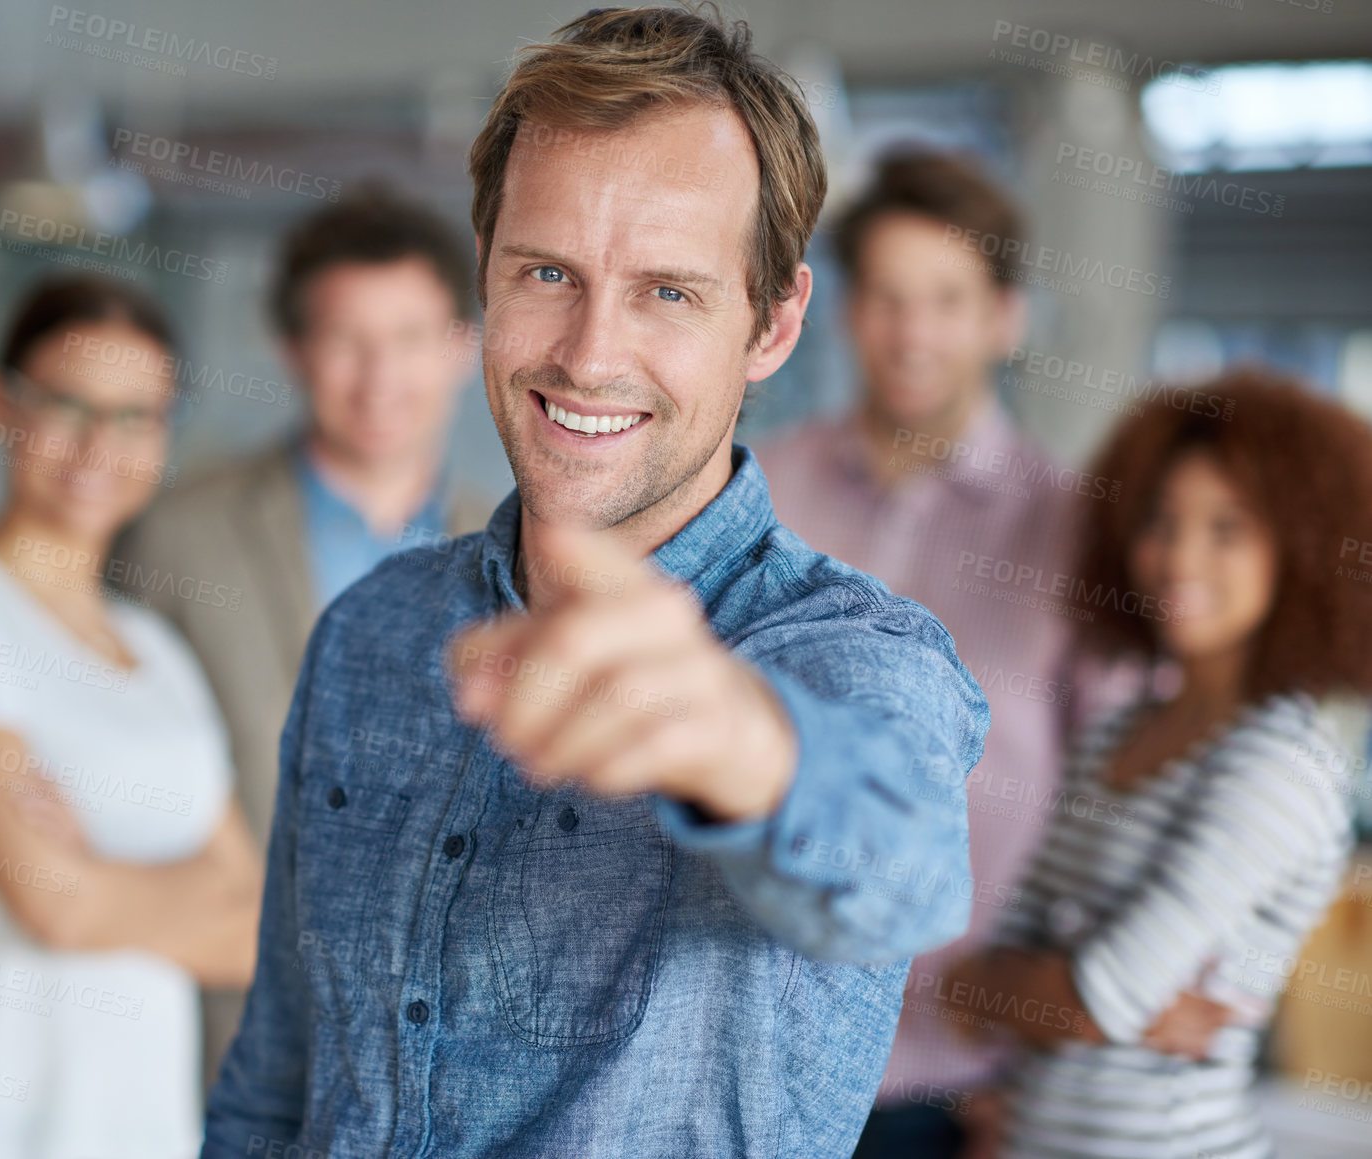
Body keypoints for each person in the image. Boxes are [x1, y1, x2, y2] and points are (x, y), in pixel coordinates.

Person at [202, 9, 986, 1157]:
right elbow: (276, 1078)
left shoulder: (856, 653)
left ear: (771, 324)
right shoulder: (371, 631)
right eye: (547, 271)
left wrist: (740, 745)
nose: (586, 352)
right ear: (485, 277)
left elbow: (904, 869)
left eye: (668, 291)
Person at [0, 275, 262, 1159]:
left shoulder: (158, 654)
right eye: (69, 405)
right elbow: (55, 906)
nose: (100, 444)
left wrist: (95, 877)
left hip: (137, 1129)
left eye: (137, 415)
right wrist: (145, 888)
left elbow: (263, 929)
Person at [943, 367, 1372, 1159]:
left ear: (1301, 551)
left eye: (1226, 528)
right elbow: (975, 989)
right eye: (1160, 520)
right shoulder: (1119, 731)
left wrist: (1069, 998)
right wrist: (1061, 997)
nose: (1177, 557)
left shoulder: (1278, 765)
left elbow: (1087, 1001)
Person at [753, 150, 1072, 1156]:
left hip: (956, 1082)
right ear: (847, 312)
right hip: (751, 1048)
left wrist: (1044, 1066)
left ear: (1004, 316)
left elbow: (1116, 800)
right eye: (887, 297)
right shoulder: (759, 491)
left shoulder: (1072, 533)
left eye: (946, 298)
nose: (913, 333)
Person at [118, 185, 495, 850]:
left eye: (410, 337)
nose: (379, 378)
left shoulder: (524, 555)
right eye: (346, 339)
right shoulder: (178, 538)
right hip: (237, 942)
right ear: (292, 350)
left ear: (463, 347)